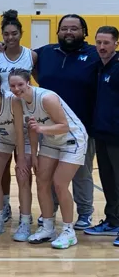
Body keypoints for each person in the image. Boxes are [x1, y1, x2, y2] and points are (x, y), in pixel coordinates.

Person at [9, 68, 88, 249]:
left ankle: (68, 231)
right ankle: (48, 227)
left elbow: (64, 126)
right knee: (42, 182)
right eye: (12, 85)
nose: (16, 88)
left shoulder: (47, 98)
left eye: (20, 84)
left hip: (72, 139)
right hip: (51, 141)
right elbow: (31, 128)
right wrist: (34, 153)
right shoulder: (18, 101)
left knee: (59, 184)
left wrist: (41, 130)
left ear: (28, 82)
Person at [33, 15, 99, 230]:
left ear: (84, 32)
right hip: (49, 126)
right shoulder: (45, 53)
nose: (68, 32)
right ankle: (50, 211)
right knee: (49, 172)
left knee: (81, 172)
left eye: (74, 28)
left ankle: (85, 213)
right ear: (58, 32)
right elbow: (28, 65)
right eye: (64, 29)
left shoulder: (93, 54)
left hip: (82, 127)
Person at [0, 10, 37, 223]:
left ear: (21, 33)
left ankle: (24, 210)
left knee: (23, 165)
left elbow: (36, 84)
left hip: (25, 115)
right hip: (1, 117)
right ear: (2, 35)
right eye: (6, 34)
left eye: (14, 33)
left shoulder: (31, 55)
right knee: (3, 167)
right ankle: (5, 205)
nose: (10, 37)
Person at [0, 69, 32, 242]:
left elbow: (19, 129)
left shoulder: (12, 100)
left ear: (0, 85)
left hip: (22, 139)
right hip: (2, 140)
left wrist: (22, 158)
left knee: (23, 177)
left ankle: (25, 221)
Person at [84, 26, 119, 245]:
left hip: (117, 135)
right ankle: (113, 220)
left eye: (106, 43)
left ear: (116, 43)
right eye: (98, 42)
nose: (102, 47)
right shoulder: (99, 67)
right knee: (108, 180)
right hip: (102, 133)